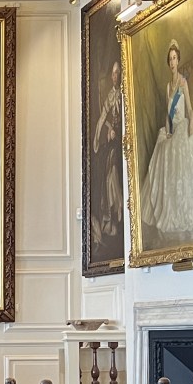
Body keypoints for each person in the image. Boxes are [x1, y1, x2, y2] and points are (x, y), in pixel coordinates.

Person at [139, 39, 193, 244]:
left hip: (183, 128)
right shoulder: (167, 86)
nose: (173, 62)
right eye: (170, 59)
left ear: (178, 60)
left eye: (175, 58)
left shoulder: (183, 82)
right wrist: (168, 131)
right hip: (173, 130)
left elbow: (189, 108)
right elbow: (167, 115)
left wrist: (191, 127)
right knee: (161, 146)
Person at [90, 59, 124, 262]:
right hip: (114, 144)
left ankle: (119, 216)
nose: (115, 76)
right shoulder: (110, 96)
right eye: (113, 73)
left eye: (118, 72)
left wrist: (115, 129)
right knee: (109, 172)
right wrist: (98, 138)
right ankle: (113, 216)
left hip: (124, 142)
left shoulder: (124, 94)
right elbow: (102, 118)